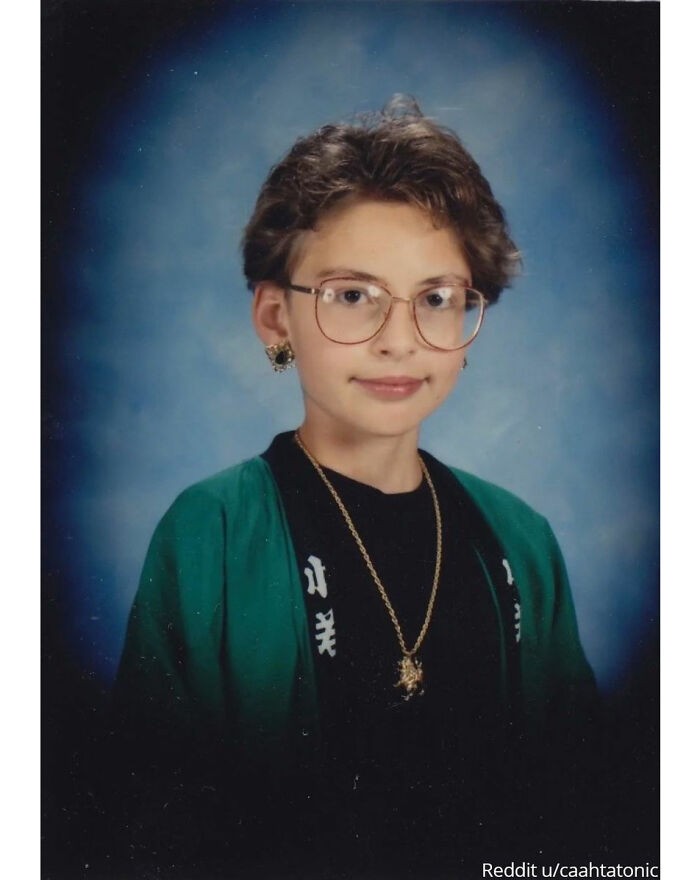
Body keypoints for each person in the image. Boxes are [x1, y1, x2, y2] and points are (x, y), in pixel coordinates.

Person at [109, 96, 598, 878]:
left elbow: (580, 807)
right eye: (351, 295)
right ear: (276, 319)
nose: (400, 340)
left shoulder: (521, 540)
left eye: (436, 299)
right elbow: (150, 819)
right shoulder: (213, 533)